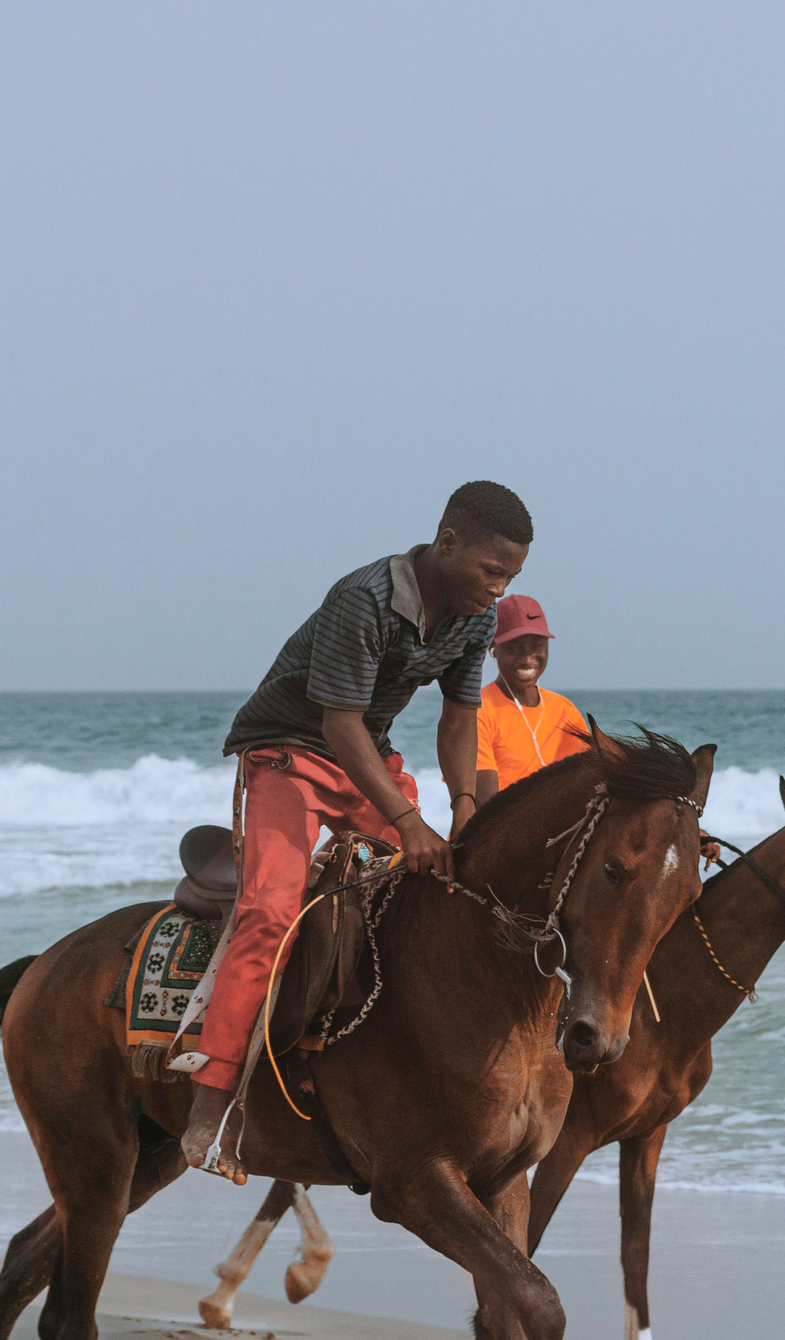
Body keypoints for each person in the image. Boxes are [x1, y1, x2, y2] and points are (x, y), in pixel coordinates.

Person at [179, 480, 530, 1175]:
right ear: (448, 542)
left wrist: (462, 805)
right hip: (287, 752)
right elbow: (336, 724)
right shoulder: (364, 599)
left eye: (511, 578)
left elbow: (460, 718)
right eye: (492, 572)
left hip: (365, 754)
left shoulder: (473, 618)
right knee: (271, 912)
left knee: (445, 887)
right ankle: (210, 1102)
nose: (498, 590)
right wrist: (407, 817)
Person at [471, 595, 589, 805]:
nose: (527, 659)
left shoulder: (564, 710)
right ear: (493, 649)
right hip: (498, 831)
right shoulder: (479, 709)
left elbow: (586, 782)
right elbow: (485, 806)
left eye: (536, 646)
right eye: (514, 648)